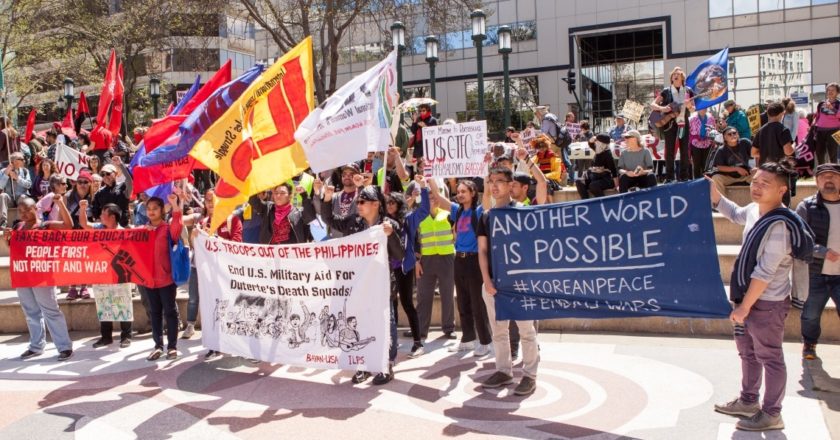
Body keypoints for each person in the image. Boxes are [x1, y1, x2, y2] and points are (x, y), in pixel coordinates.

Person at [711, 162, 814, 431]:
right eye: (755, 181)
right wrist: (714, 194)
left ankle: (771, 413)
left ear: (782, 190)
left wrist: (744, 307)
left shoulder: (780, 224)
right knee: (748, 353)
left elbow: (765, 272)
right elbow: (734, 213)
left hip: (766, 303)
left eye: (764, 183)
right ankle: (748, 401)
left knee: (770, 356)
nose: (756, 187)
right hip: (747, 297)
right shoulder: (756, 210)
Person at [321, 185, 404, 385]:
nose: (357, 205)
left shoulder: (389, 224)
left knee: (385, 323)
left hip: (382, 284)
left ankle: (386, 365)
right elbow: (331, 220)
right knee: (360, 323)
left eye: (362, 201)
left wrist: (391, 235)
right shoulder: (354, 222)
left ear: (375, 204)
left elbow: (400, 255)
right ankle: (363, 365)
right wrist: (327, 200)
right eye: (358, 201)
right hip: (357, 284)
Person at [477, 167, 539, 396]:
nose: (494, 186)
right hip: (494, 284)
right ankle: (504, 371)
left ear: (510, 184)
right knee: (499, 332)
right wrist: (486, 280)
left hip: (521, 283)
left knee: (526, 331)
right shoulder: (485, 216)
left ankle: (530, 376)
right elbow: (482, 251)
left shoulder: (522, 212)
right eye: (491, 181)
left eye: (500, 181)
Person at [4, 195, 74, 361]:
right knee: (30, 312)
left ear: (36, 209)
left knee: (51, 310)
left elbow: (68, 226)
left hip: (42, 275)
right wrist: (8, 241)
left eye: (27, 210)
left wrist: (61, 204)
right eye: (20, 211)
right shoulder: (18, 227)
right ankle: (36, 346)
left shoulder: (45, 225)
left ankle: (65, 347)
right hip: (23, 275)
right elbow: (15, 250)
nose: (23, 214)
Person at [185, 189, 243, 359]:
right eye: (207, 200)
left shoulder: (232, 220)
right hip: (207, 274)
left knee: (230, 308)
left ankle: (235, 343)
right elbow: (195, 247)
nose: (210, 203)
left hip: (226, 274)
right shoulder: (202, 222)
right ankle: (213, 345)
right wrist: (194, 236)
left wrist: (216, 240)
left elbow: (237, 245)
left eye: (213, 199)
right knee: (210, 308)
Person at [797, 164, 840, 360]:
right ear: (816, 181)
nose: (828, 180)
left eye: (833, 176)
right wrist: (822, 252)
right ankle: (809, 344)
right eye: (823, 177)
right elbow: (799, 240)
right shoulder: (806, 206)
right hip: (815, 272)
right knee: (810, 315)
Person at [384, 175, 430, 357]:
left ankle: (418, 343)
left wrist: (424, 188)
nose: (390, 207)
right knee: (391, 304)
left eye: (393, 203)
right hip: (387, 268)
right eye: (387, 204)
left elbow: (425, 210)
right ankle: (392, 340)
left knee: (406, 303)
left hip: (403, 267)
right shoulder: (383, 222)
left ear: (400, 204)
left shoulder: (409, 219)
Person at [79, 201, 133, 348]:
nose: (101, 217)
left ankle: (126, 336)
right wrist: (83, 209)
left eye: (104, 214)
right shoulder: (98, 228)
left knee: (123, 303)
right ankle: (106, 337)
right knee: (103, 304)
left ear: (113, 217)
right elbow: (84, 224)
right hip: (102, 273)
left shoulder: (124, 232)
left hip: (120, 274)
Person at [139, 194, 184, 361]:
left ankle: (172, 347)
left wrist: (175, 205)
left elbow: (177, 228)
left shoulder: (166, 229)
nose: (151, 211)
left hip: (166, 279)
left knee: (170, 312)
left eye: (155, 208)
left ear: (161, 211)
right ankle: (157, 346)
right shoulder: (143, 230)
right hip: (149, 280)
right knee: (154, 313)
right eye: (149, 209)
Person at [414, 181, 457, 343]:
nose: (433, 198)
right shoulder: (419, 216)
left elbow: (457, 234)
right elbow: (413, 241)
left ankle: (449, 328)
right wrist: (416, 261)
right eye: (429, 195)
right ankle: (421, 330)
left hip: (447, 258)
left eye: (435, 194)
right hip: (425, 260)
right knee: (423, 296)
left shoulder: (448, 214)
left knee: (447, 294)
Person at [651, 67, 695, 182]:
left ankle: (684, 177)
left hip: (683, 123)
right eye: (673, 74)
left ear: (682, 78)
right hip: (670, 123)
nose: (675, 75)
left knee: (685, 150)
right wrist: (664, 108)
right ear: (671, 78)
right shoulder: (666, 91)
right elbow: (653, 105)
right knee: (669, 151)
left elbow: (693, 109)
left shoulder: (688, 90)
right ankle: (669, 177)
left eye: (678, 74)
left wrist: (689, 105)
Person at [249, 182, 316, 245]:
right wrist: (258, 184)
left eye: (282, 193)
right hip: (270, 255)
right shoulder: (267, 209)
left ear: (290, 196)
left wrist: (304, 195)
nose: (278, 195)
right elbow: (252, 200)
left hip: (292, 255)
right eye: (276, 193)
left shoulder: (298, 213)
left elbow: (310, 217)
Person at [710, 126, 754, 198]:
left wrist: (758, 167)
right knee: (716, 178)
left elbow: (756, 153)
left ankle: (758, 202)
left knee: (758, 175)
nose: (733, 135)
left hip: (746, 175)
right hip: (728, 177)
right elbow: (719, 167)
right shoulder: (721, 150)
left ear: (738, 134)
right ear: (725, 137)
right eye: (729, 134)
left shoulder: (745, 143)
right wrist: (737, 169)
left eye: (734, 133)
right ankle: (723, 203)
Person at [535, 105, 572, 185]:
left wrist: (534, 133)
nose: (536, 115)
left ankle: (556, 183)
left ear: (540, 112)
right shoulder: (552, 116)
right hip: (559, 142)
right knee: (560, 163)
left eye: (536, 113)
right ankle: (563, 182)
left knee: (553, 164)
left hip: (552, 144)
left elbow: (543, 133)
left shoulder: (545, 119)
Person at [91, 157, 133, 227]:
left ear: (115, 173)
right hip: (107, 231)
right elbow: (96, 211)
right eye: (102, 174)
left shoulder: (123, 187)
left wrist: (120, 165)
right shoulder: (99, 193)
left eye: (108, 173)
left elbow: (129, 181)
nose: (105, 176)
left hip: (122, 228)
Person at [575, 133, 618, 199]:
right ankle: (585, 201)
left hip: (605, 178)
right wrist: (594, 138)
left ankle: (602, 202)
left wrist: (617, 185)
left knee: (593, 186)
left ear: (602, 144)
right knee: (579, 181)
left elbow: (613, 170)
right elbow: (590, 143)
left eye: (598, 142)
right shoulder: (598, 149)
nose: (596, 143)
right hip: (594, 177)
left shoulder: (608, 154)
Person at [0, 152, 32, 227]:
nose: (24, 161)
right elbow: (1, 186)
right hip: (9, 198)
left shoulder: (25, 171)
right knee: (2, 196)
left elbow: (29, 185)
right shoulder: (3, 171)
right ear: (14, 161)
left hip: (20, 198)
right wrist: (6, 174)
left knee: (24, 197)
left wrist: (17, 178)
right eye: (21, 159)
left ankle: (20, 220)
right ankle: (3, 221)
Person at [813, 82, 840, 165]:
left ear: (838, 93)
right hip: (820, 131)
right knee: (819, 153)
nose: (830, 92)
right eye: (828, 90)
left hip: (835, 131)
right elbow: (817, 116)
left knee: (833, 154)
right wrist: (812, 126)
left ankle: (834, 174)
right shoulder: (821, 103)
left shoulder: (838, 104)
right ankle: (821, 173)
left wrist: (832, 109)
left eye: (833, 90)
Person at [689, 109, 717, 179]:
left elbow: (714, 130)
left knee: (706, 164)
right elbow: (689, 131)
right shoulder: (692, 118)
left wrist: (713, 138)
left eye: (705, 107)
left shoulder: (711, 118)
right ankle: (696, 181)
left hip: (707, 143)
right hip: (695, 144)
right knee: (696, 164)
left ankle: (705, 180)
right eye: (702, 108)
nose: (704, 109)